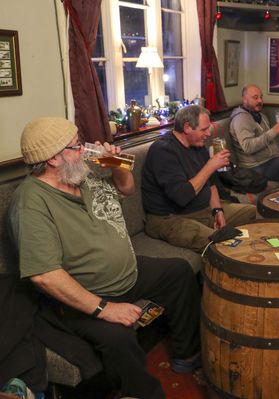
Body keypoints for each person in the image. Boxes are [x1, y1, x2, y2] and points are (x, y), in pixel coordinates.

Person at [9, 117, 202, 399]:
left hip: (128, 273)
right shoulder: (31, 203)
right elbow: (45, 275)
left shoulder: (78, 173)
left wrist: (116, 162)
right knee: (119, 338)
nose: (84, 150)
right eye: (76, 146)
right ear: (52, 158)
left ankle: (186, 355)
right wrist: (104, 308)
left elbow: (126, 189)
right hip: (84, 296)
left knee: (179, 272)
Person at [142, 105, 256, 252]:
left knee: (251, 212)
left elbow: (211, 184)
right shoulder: (163, 150)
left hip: (201, 210)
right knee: (222, 242)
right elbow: (181, 196)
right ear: (187, 127)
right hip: (170, 218)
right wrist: (210, 166)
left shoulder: (198, 145)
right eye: (204, 129)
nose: (208, 133)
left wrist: (217, 211)